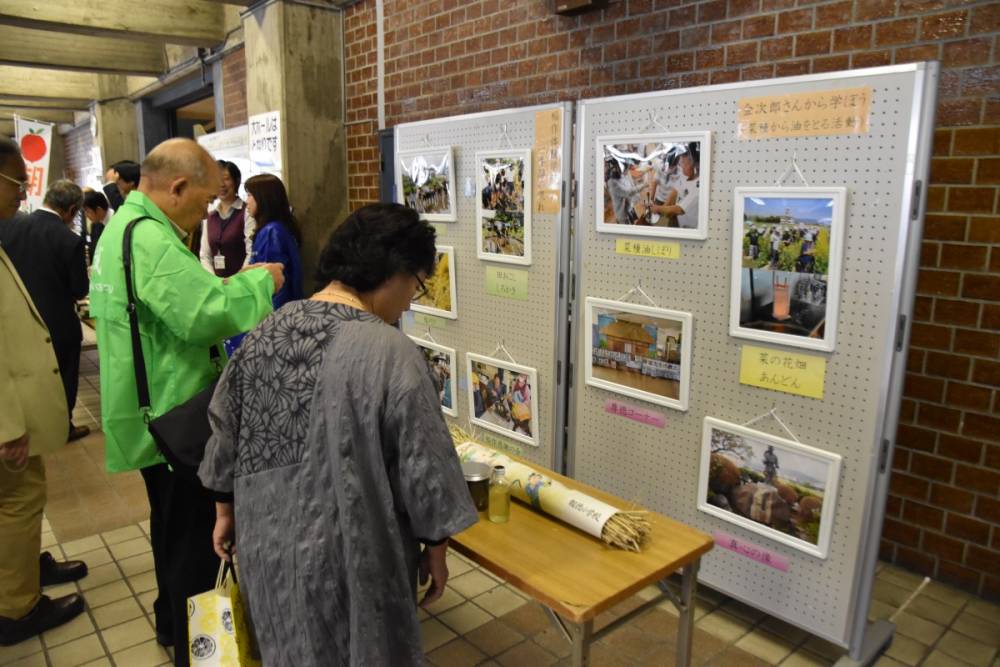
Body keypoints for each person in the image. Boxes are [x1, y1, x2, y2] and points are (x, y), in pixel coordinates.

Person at [199, 202, 478, 666]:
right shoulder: (391, 353)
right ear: (395, 271)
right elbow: (425, 465)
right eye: (416, 284)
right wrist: (438, 546)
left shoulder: (268, 330)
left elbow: (225, 431)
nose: (411, 300)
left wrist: (224, 512)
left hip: (266, 548)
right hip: (354, 556)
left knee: (284, 647)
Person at [89, 138, 284, 665]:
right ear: (176, 188)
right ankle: (203, 654)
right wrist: (258, 284)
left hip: (149, 413)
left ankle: (173, 626)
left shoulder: (121, 229)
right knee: (197, 547)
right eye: (201, 203)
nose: (205, 214)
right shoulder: (149, 237)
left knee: (170, 532)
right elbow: (200, 315)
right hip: (178, 420)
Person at [0, 137, 88, 647]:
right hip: (10, 409)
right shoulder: (58, 237)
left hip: (22, 389)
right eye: (15, 180)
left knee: (21, 496)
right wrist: (7, 425)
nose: (20, 192)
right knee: (18, 500)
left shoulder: (8, 229)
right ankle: (17, 607)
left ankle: (26, 573)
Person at [0, 180, 90, 442]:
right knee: (64, 375)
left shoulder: (11, 225)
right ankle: (64, 427)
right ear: (72, 210)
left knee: (28, 375)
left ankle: (31, 426)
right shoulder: (68, 239)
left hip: (19, 317)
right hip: (59, 322)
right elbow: (79, 289)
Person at [245, 173, 303, 309]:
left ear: (263, 198)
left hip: (275, 315)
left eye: (249, 195)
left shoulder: (272, 232)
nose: (246, 201)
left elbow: (274, 284)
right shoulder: (277, 228)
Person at [199, 161, 254, 278]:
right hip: (217, 285)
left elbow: (251, 252)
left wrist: (238, 280)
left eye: (226, 179)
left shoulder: (247, 212)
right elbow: (205, 254)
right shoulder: (209, 214)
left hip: (243, 282)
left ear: (236, 181)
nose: (222, 184)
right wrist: (215, 281)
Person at [650, 143, 700, 229]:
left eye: (684, 163)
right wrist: (660, 208)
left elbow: (679, 209)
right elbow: (673, 194)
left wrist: (658, 209)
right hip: (678, 220)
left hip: (689, 226)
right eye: (680, 163)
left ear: (695, 166)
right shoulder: (685, 176)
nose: (681, 166)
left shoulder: (698, 185)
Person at [82, 189, 111, 267]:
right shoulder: (95, 225)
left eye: (87, 211)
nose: (86, 215)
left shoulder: (117, 221)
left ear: (99, 210)